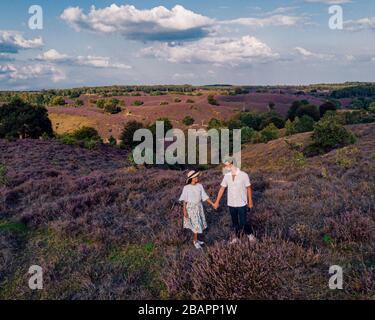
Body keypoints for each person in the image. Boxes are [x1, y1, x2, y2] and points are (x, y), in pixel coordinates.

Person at [214, 157, 256, 244]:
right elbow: (222, 189)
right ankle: (237, 238)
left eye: (226, 165)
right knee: (235, 223)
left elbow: (248, 188)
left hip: (242, 203)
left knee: (243, 222)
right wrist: (217, 201)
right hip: (231, 203)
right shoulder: (227, 176)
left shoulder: (244, 175)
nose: (225, 167)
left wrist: (250, 202)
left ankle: (250, 235)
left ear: (232, 164)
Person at [179, 170, 216, 249]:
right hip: (191, 208)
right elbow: (184, 201)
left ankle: (197, 240)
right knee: (196, 225)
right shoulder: (186, 188)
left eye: (197, 176)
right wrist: (184, 211)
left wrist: (212, 204)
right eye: (195, 177)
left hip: (199, 207)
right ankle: (195, 241)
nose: (197, 178)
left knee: (199, 224)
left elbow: (204, 196)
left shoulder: (200, 186)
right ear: (191, 178)